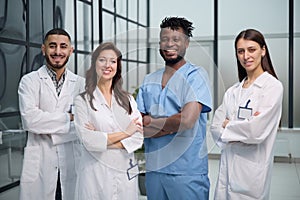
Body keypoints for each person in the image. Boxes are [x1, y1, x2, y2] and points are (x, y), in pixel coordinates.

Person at [136, 16, 212, 200]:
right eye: (164, 39)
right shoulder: (149, 80)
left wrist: (152, 122)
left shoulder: (196, 75)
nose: (169, 44)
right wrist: (169, 124)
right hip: (154, 171)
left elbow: (187, 121)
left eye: (176, 39)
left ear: (186, 43)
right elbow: (138, 127)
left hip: (187, 173)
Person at [210, 29, 283, 200]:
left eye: (252, 49)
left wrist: (228, 125)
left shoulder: (272, 87)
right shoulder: (232, 91)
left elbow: (256, 132)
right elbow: (214, 127)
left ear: (263, 50)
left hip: (250, 176)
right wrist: (241, 128)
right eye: (240, 51)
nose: (246, 56)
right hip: (226, 170)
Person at [18, 28, 85, 200]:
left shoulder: (80, 84)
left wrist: (48, 124)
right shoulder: (29, 81)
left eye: (63, 46)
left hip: (71, 163)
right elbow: (31, 121)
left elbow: (83, 126)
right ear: (43, 49)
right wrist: (68, 117)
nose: (57, 52)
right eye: (52, 46)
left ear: (71, 50)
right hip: (40, 163)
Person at [73, 42, 144, 200]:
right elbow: (88, 141)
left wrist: (101, 138)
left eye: (113, 61)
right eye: (102, 60)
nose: (107, 65)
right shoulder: (82, 101)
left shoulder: (127, 99)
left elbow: (138, 137)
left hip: (124, 170)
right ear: (94, 64)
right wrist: (126, 132)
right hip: (94, 172)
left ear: (118, 67)